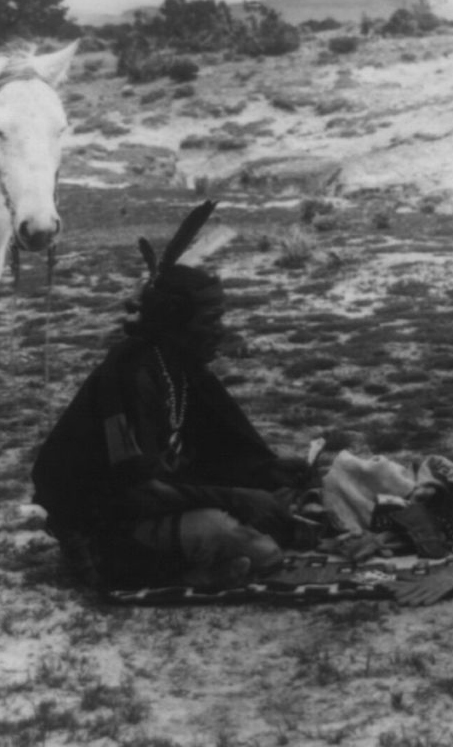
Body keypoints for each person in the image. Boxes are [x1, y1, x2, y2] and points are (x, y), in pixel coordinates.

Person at [32, 201, 311, 589]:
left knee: (276, 509)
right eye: (211, 322)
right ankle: (180, 572)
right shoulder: (129, 378)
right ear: (175, 323)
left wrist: (265, 471)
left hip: (147, 506)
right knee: (253, 545)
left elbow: (210, 452)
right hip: (102, 525)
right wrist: (239, 499)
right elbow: (138, 491)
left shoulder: (178, 368)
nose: (220, 332)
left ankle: (199, 565)